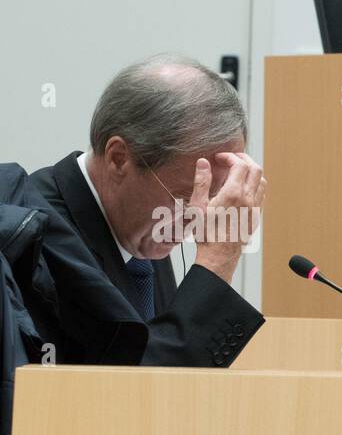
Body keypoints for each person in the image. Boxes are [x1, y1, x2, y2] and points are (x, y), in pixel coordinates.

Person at [31, 54, 265, 366]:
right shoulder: (40, 236)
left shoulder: (139, 224)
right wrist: (217, 262)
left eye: (213, 198)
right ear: (118, 158)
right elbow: (139, 392)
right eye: (185, 197)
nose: (199, 219)